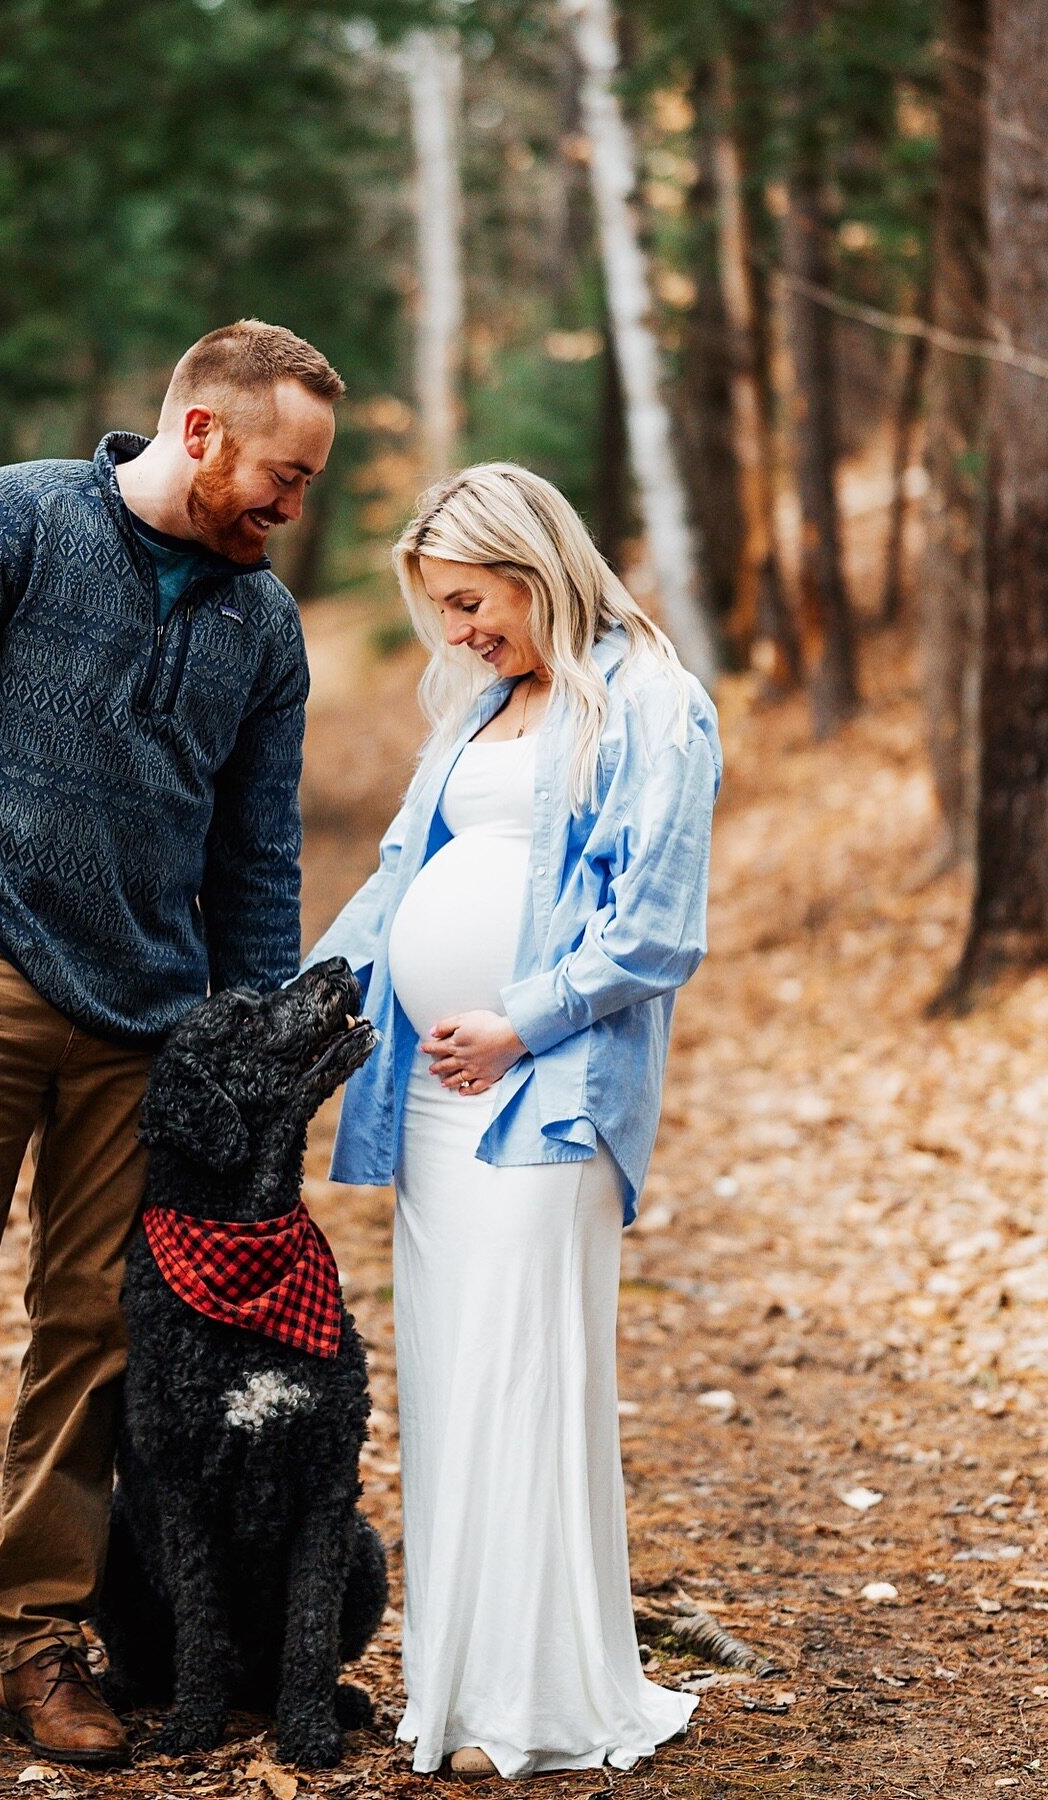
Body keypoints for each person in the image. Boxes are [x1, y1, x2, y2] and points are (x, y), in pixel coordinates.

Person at [0, 320, 341, 1787]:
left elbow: (256, 856)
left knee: (95, 1345)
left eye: (307, 480)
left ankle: (41, 1646)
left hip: (153, 1038)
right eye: (282, 474)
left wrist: (249, 1059)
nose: (292, 504)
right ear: (200, 434)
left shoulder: (263, 630)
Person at [306, 463, 721, 1781]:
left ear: (540, 568)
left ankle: (543, 1696)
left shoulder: (653, 703)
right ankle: (463, 1688)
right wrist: (307, 1010)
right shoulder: (483, 705)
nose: (460, 632)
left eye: (474, 601)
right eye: (441, 610)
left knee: (525, 1374)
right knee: (447, 1377)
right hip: (434, 1095)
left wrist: (519, 1022)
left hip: (548, 1093)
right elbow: (392, 883)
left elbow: (653, 931)